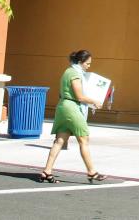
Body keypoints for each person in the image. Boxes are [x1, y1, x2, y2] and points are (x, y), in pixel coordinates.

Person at [38, 49, 106, 183]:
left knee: (59, 141)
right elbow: (80, 96)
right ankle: (92, 172)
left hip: (63, 107)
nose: (89, 66)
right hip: (72, 108)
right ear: (80, 62)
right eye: (87, 63)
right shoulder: (75, 74)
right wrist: (94, 101)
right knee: (84, 140)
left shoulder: (67, 72)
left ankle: (47, 171)